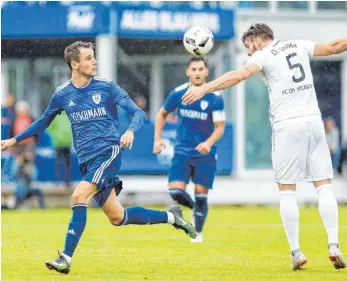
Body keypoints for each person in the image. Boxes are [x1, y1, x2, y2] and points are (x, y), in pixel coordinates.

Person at [1, 41, 196, 275]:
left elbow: (137, 112)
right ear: (74, 64)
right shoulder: (62, 94)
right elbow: (43, 121)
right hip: (87, 161)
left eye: (94, 57)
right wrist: (14, 140)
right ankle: (172, 217)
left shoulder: (106, 87)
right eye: (89, 58)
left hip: (108, 153)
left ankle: (65, 258)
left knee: (78, 195)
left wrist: (130, 130)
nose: (94, 62)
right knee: (118, 217)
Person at [182, 24, 347, 270]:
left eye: (248, 46)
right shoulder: (299, 44)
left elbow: (238, 75)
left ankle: (296, 252)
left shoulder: (263, 54)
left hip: (286, 125)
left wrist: (204, 88)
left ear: (257, 40)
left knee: (287, 191)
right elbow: (335, 46)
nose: (248, 53)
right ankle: (333, 245)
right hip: (314, 122)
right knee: (323, 185)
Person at [154, 57, 225, 243]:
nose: (197, 72)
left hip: (205, 154)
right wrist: (157, 139)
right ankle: (196, 210)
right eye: (193, 69)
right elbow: (161, 114)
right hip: (182, 151)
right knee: (176, 192)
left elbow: (219, 127)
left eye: (201, 69)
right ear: (187, 72)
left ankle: (197, 234)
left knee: (201, 194)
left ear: (206, 72)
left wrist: (208, 143)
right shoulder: (178, 94)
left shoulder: (215, 98)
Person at [48, 111, 73, 187]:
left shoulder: (57, 116)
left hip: (61, 142)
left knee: (60, 162)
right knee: (65, 163)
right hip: (64, 142)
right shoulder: (70, 116)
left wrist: (56, 136)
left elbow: (50, 129)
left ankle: (59, 181)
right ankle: (65, 181)